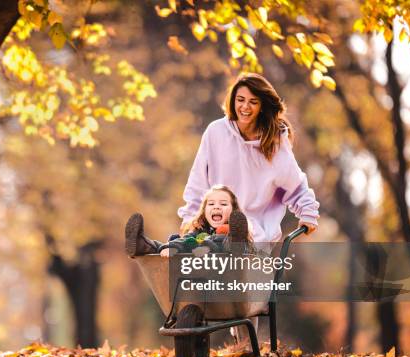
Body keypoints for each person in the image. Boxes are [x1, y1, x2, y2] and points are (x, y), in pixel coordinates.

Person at [125, 73, 319, 258]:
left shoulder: (275, 145)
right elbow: (198, 180)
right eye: (240, 99)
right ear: (233, 100)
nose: (245, 107)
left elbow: (295, 186)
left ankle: (238, 239)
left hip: (256, 236)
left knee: (216, 246)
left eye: (253, 102)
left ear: (263, 106)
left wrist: (308, 213)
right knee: (185, 244)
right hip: (211, 227)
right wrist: (190, 218)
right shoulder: (216, 132)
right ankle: (148, 247)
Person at [156, 185, 252, 257]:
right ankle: (144, 244)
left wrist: (206, 247)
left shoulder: (237, 232)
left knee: (228, 242)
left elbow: (247, 251)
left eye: (223, 204)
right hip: (203, 277)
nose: (216, 206)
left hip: (230, 271)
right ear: (204, 211)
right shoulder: (200, 230)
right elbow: (186, 240)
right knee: (172, 243)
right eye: (211, 204)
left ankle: (235, 245)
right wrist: (172, 247)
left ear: (233, 210)